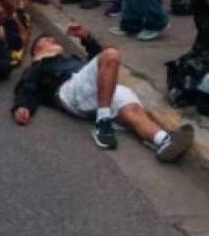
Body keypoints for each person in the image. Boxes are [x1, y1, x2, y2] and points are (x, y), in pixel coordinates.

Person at [12, 22, 195, 161]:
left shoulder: (71, 58)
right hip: (70, 91)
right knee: (111, 54)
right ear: (36, 50)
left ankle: (162, 141)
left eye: (53, 38)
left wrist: (86, 37)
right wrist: (22, 107)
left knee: (132, 112)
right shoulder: (38, 65)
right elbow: (25, 87)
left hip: (97, 91)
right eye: (46, 39)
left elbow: (98, 61)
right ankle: (103, 123)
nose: (53, 39)